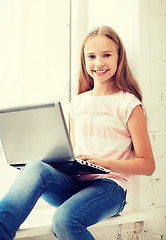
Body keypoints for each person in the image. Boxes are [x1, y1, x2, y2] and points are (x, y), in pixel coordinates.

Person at [0, 25, 155, 240]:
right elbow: (73, 151)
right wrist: (61, 162)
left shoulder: (129, 104)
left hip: (110, 188)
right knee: (35, 166)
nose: (98, 63)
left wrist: (104, 162)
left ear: (119, 58)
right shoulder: (77, 103)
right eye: (91, 56)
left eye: (107, 55)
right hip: (76, 184)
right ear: (84, 61)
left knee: (64, 220)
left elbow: (147, 165)